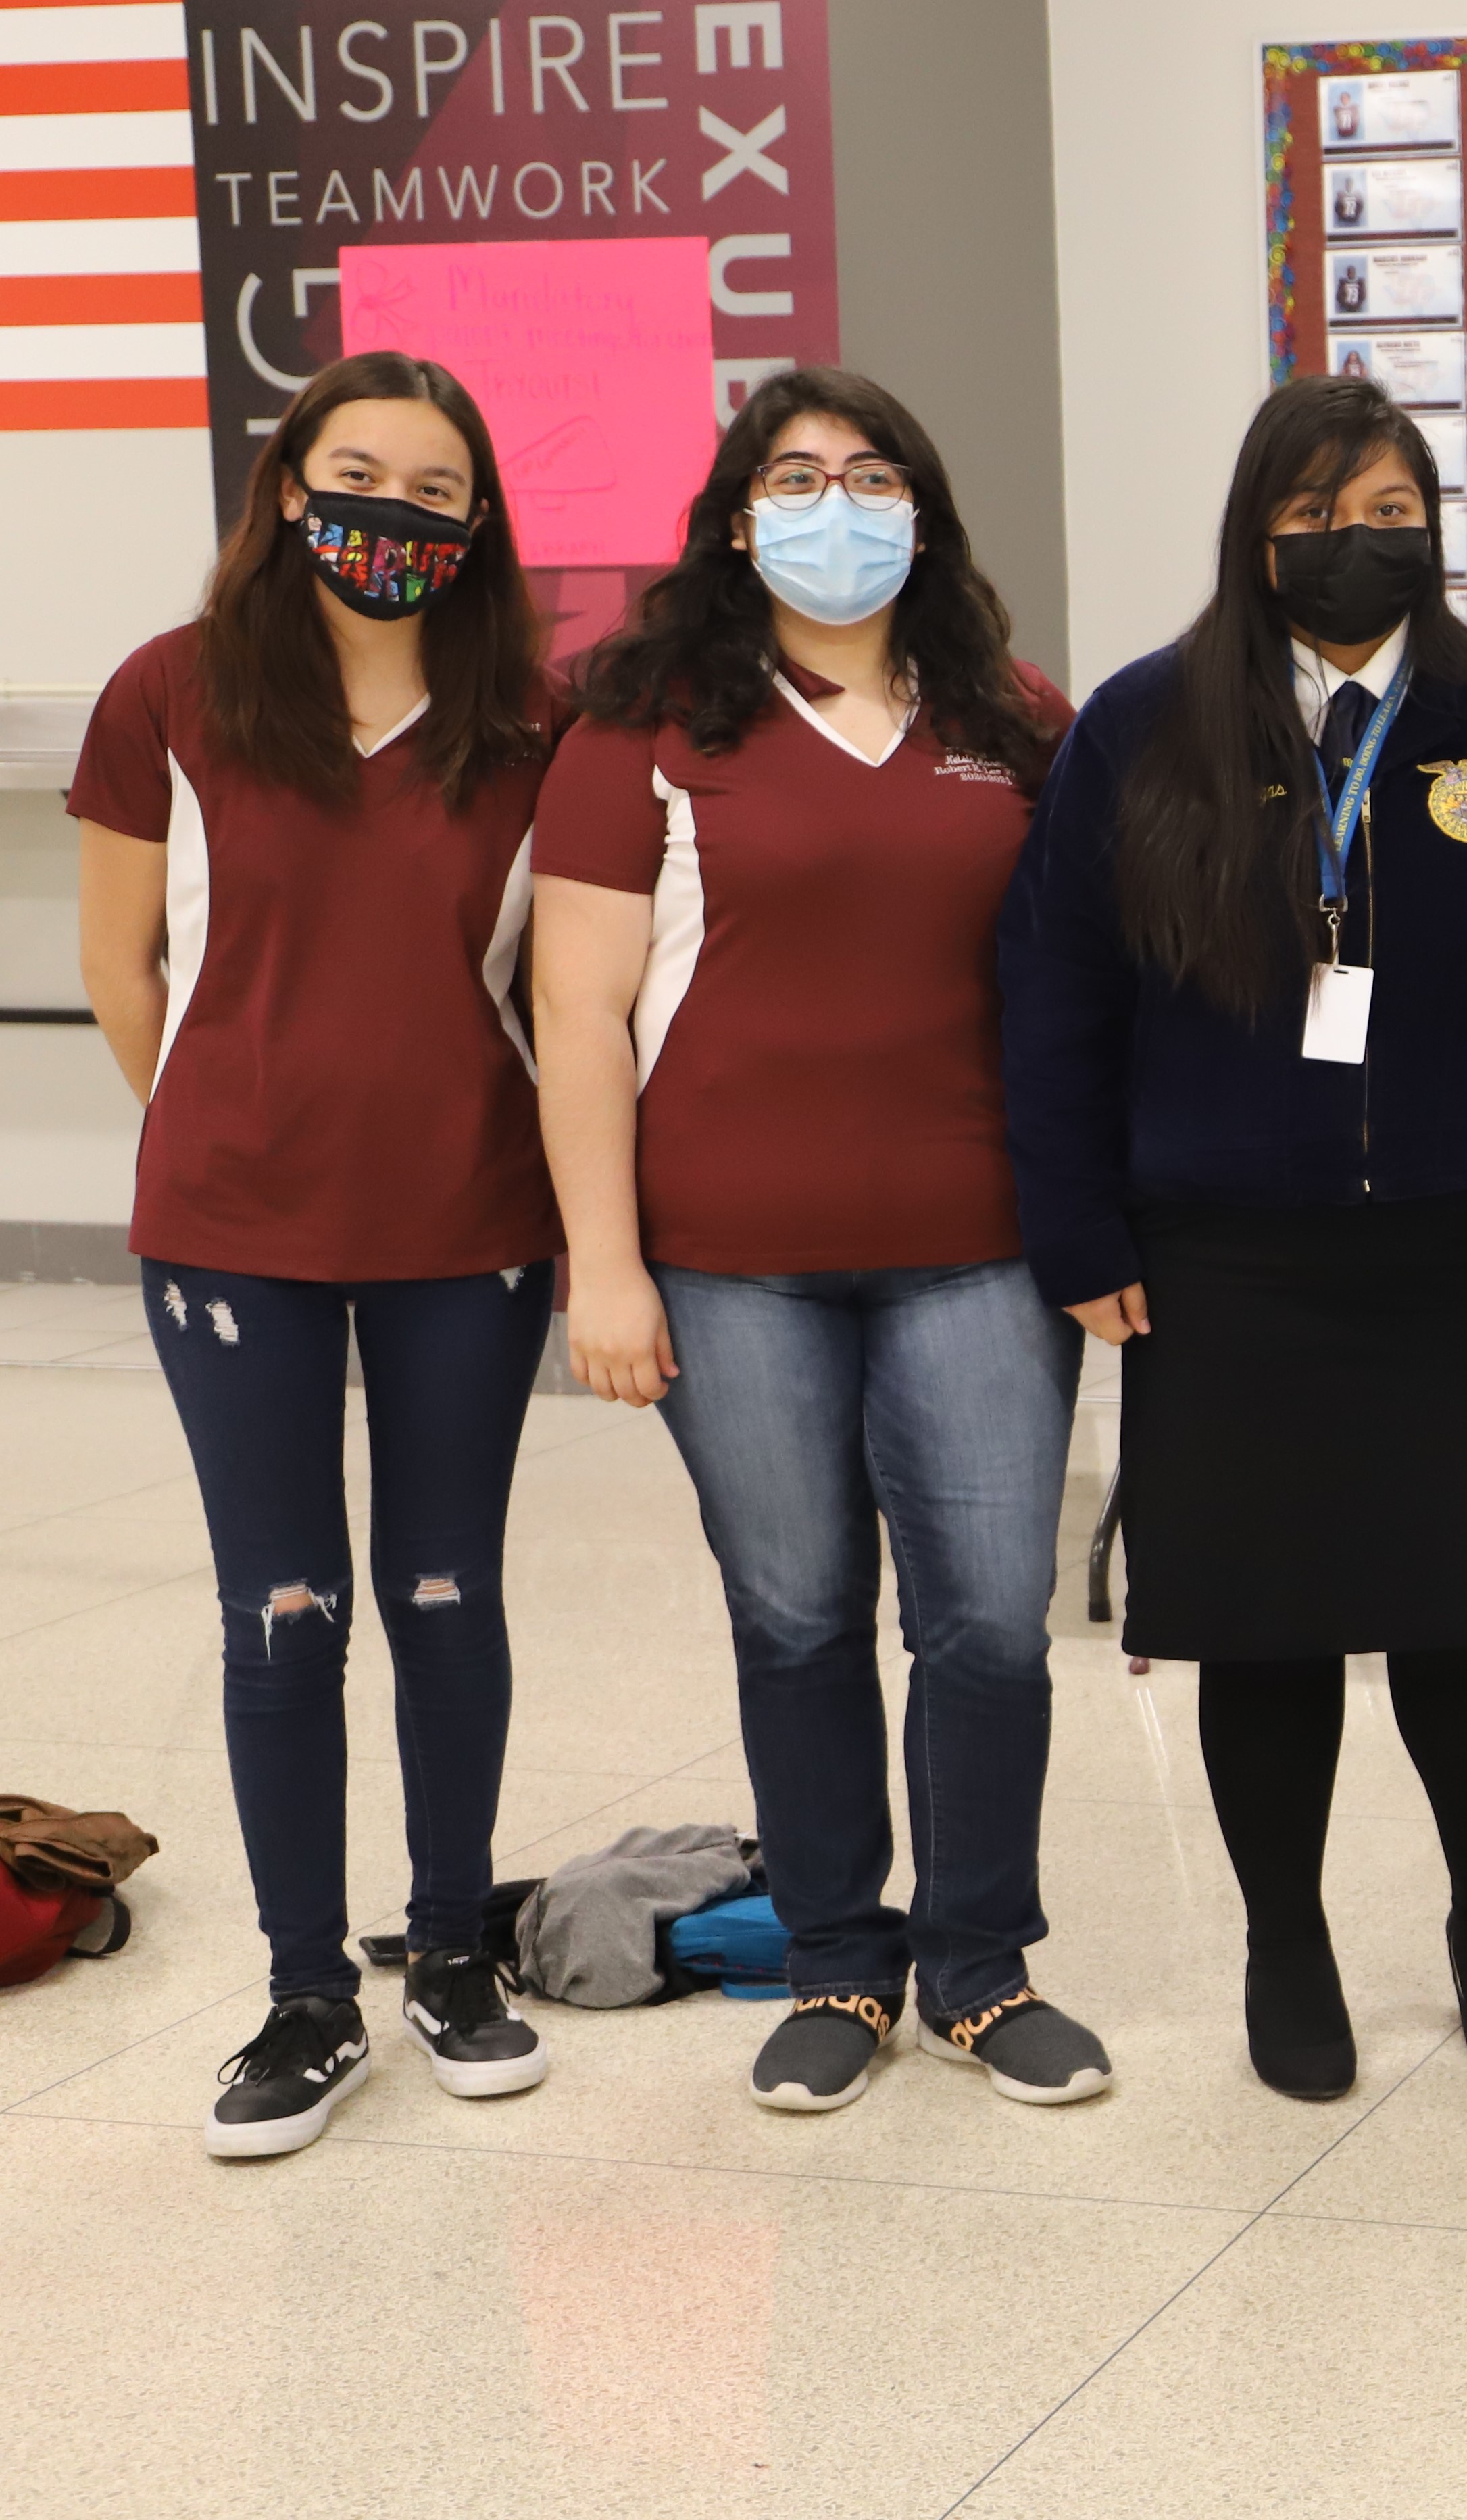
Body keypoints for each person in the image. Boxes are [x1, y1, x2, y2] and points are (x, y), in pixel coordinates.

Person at [999, 374, 1467, 2103]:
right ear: (1256, 534)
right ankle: (1287, 1939)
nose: (1353, 545)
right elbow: (1053, 995)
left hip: (1458, 1242)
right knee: (1261, 1626)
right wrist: (1075, 1218)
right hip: (1220, 1255)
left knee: (1462, 1618)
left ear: (1433, 525)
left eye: (1388, 510)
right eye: (1315, 516)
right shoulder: (1141, 727)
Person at [532, 369, 1102, 2115]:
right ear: (733, 515)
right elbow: (580, 1009)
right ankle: (842, 1964)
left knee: (992, 1623)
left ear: (922, 513)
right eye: (797, 476)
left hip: (983, 1251)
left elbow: (1083, 991)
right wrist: (604, 1265)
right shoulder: (644, 720)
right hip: (730, 1258)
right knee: (794, 1618)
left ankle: (981, 1967)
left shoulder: (1013, 715)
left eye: (869, 476)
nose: (834, 505)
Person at [70, 353, 562, 2157]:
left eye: (434, 493)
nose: (390, 517)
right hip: (234, 1239)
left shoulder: (533, 725)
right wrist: (232, 1136)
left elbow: (560, 984)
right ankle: (302, 1995)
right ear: (286, 488)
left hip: (471, 1229)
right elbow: (125, 971)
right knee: (283, 1610)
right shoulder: (172, 696)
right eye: (354, 477)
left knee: (444, 1594)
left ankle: (450, 1953)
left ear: (478, 526)